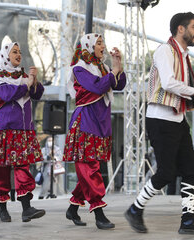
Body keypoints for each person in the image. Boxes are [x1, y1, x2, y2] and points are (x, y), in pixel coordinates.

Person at [124, 12, 194, 235]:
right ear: (181, 28)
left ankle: (187, 220)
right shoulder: (165, 51)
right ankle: (134, 209)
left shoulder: (184, 56)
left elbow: (180, 86)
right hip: (160, 119)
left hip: (178, 119)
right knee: (166, 173)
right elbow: (168, 82)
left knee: (190, 171)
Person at [0, 42, 45, 223]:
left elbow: (37, 94)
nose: (18, 54)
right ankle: (3, 208)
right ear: (5, 55)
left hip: (22, 130)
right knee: (2, 169)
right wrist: (27, 84)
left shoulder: (23, 76)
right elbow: (6, 94)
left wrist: (34, 81)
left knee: (23, 166)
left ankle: (26, 208)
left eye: (19, 52)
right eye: (14, 52)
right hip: (3, 129)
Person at [63, 33, 126, 229]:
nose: (102, 46)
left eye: (102, 42)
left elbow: (119, 84)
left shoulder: (103, 67)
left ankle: (73, 209)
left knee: (89, 167)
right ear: (88, 46)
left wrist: (118, 67)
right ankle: (98, 212)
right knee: (90, 167)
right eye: (98, 43)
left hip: (100, 122)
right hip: (85, 122)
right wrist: (112, 72)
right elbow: (97, 87)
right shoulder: (79, 68)